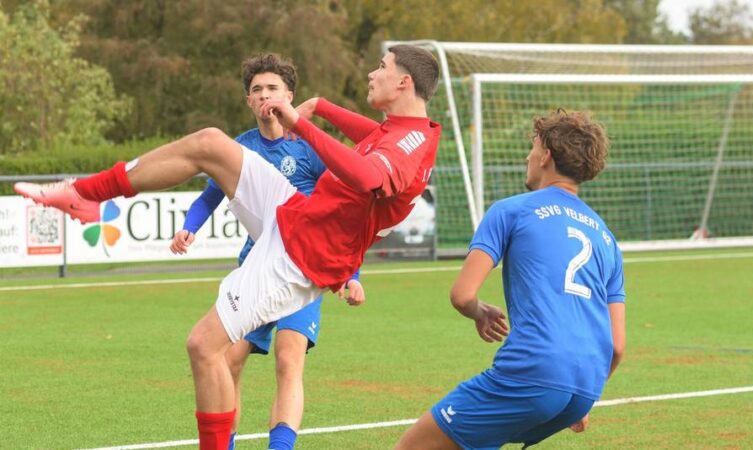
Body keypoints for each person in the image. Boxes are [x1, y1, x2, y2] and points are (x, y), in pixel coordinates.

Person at [15, 44, 441, 450]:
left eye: (381, 66)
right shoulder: (409, 132)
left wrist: (302, 124)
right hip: (295, 215)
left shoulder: (409, 145)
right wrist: (323, 107)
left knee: (205, 346)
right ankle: (85, 194)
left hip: (302, 257)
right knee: (210, 142)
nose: (372, 72)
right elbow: (375, 137)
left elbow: (368, 176)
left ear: (403, 82)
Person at [394, 109, 626, 450]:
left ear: (546, 155)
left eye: (533, 146)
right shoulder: (606, 238)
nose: (527, 155)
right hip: (585, 387)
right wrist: (581, 394)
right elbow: (617, 346)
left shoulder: (512, 210)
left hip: (534, 373)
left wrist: (478, 311)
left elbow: (462, 294)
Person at [168, 53, 365, 450]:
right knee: (226, 361)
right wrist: (188, 228)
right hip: (257, 267)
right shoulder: (240, 148)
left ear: (289, 97)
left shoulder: (310, 146)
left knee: (288, 359)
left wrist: (353, 275)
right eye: (256, 90)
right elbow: (208, 198)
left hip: (304, 268)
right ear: (248, 101)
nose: (264, 95)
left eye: (272, 88)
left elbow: (346, 212)